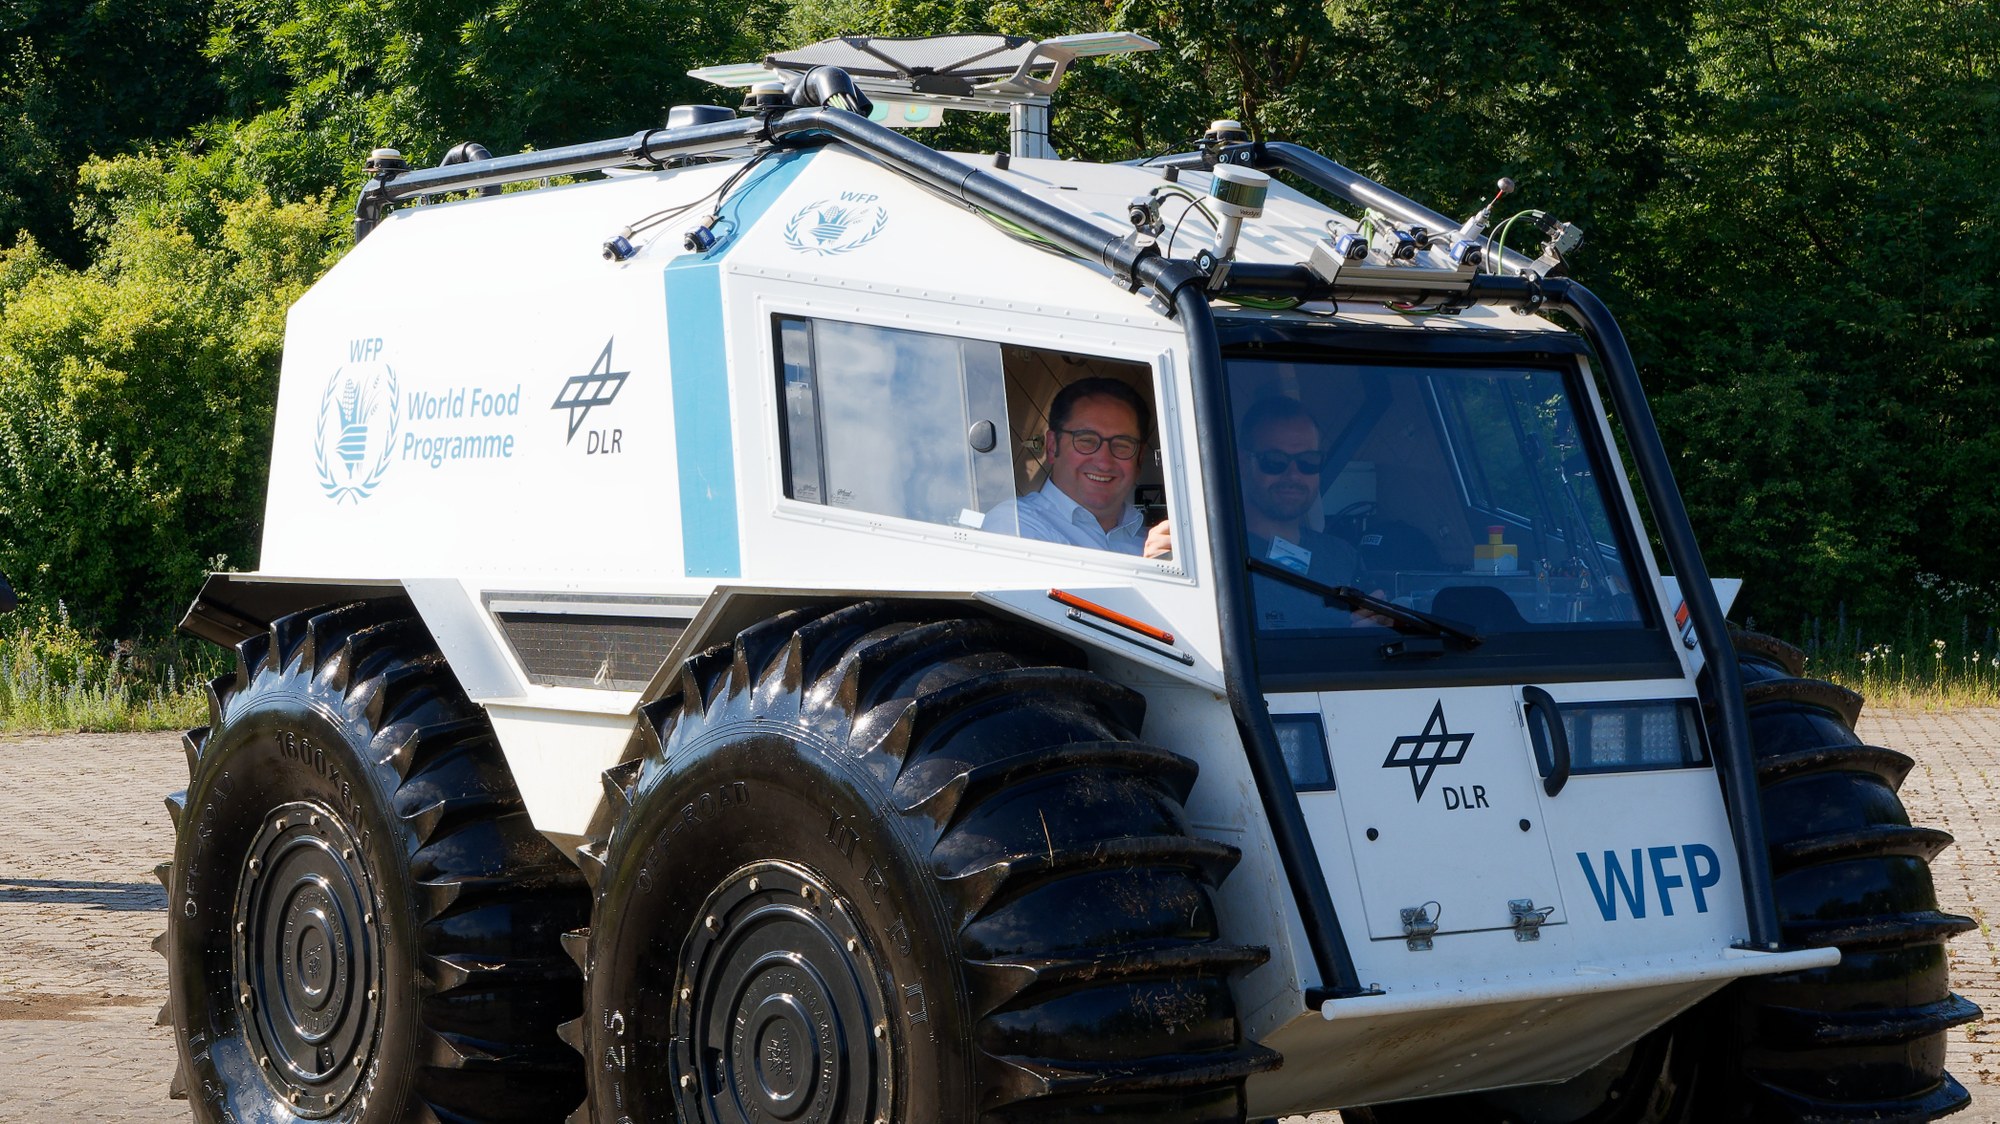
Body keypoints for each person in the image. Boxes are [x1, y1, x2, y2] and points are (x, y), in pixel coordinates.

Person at [1237, 396, 1384, 628]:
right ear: (1244, 463)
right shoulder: (1216, 557)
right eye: (1275, 461)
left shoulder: (1342, 556)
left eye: (1308, 461)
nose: (1293, 475)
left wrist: (1377, 624)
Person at [987, 377, 1172, 559]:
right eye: (1086, 441)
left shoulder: (1152, 541)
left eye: (1122, 445)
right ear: (1052, 446)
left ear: (1139, 457)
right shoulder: (1015, 525)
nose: (1104, 462)